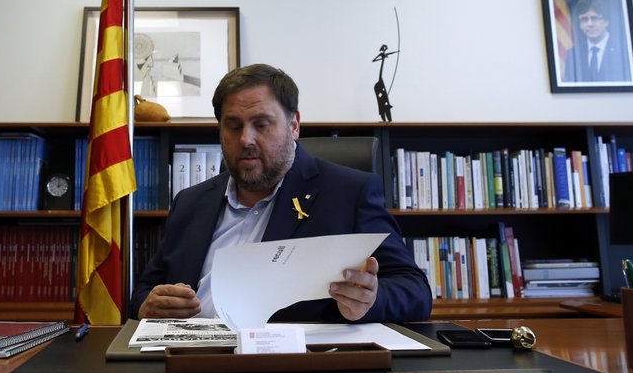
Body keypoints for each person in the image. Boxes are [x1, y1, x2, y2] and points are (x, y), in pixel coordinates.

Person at [130, 64, 432, 324]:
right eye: (233, 126)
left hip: (293, 372)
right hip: (187, 367)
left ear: (294, 125)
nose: (246, 139)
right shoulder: (191, 202)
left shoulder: (349, 193)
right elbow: (145, 290)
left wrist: (371, 300)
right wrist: (147, 304)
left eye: (261, 125)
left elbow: (415, 290)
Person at [562, 0, 631, 83]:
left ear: (606, 21)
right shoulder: (573, 54)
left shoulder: (623, 51)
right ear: (580, 25)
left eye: (594, 18)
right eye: (584, 19)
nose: (589, 24)